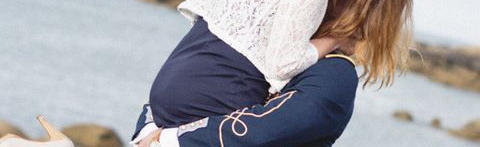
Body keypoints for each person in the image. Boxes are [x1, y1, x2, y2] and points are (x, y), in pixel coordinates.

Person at [133, 0, 414, 142]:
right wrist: (334, 39)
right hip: (204, 111)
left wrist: (158, 132)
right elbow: (284, 64)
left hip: (167, 100)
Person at [131, 52, 358, 147]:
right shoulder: (271, 49)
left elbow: (262, 129)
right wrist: (151, 127)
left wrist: (170, 139)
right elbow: (191, 79)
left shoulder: (335, 73)